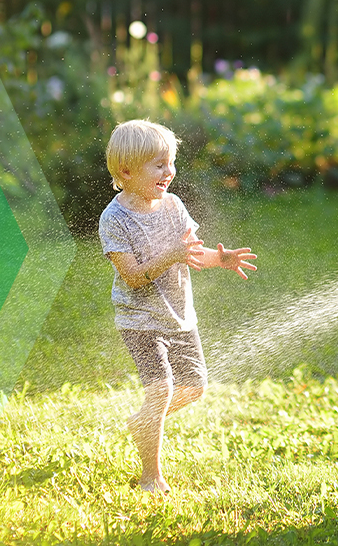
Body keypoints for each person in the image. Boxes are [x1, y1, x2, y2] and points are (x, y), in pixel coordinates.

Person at [98, 119, 258, 494]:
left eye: (170, 162)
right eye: (158, 165)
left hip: (180, 317)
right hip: (140, 321)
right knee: (162, 389)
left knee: (195, 387)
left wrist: (221, 259)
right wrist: (171, 254)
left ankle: (144, 423)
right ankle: (150, 477)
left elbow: (191, 254)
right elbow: (134, 277)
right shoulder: (114, 219)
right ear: (126, 170)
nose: (169, 172)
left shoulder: (173, 206)